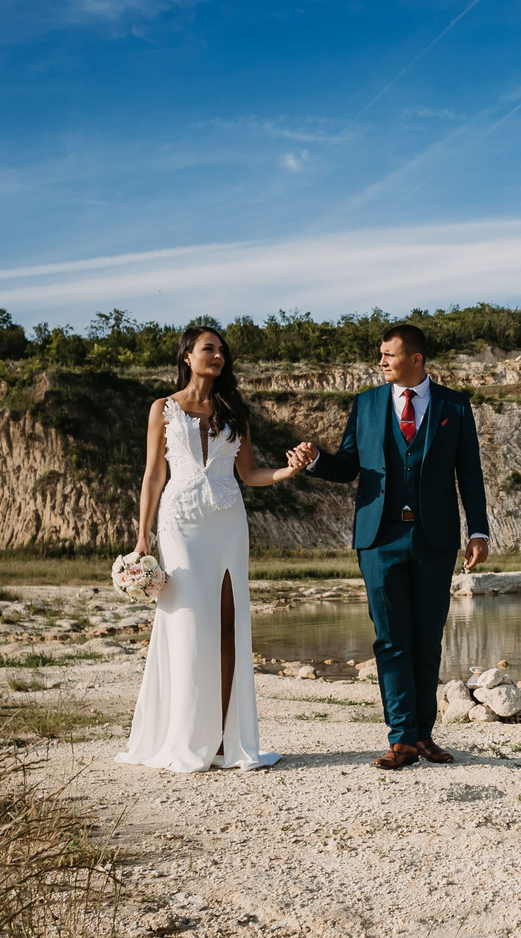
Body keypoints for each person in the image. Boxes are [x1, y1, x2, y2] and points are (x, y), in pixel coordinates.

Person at [285, 322, 490, 769]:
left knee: (428, 640)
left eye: (388, 355)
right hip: (378, 539)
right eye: (380, 354)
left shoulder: (454, 405)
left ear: (415, 358)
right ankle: (401, 739)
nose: (381, 362)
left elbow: (468, 473)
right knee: (391, 640)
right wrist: (317, 461)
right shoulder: (367, 404)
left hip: (435, 540)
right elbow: (347, 466)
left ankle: (423, 735)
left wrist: (479, 531)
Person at [117, 325, 304, 772]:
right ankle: (184, 737)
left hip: (227, 523)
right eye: (208, 349)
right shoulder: (163, 408)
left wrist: (286, 473)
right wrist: (143, 535)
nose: (217, 356)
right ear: (187, 356)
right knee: (186, 627)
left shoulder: (233, 410)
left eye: (221, 350)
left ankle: (224, 740)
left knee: (226, 627)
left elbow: (251, 473)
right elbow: (152, 476)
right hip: (180, 522)